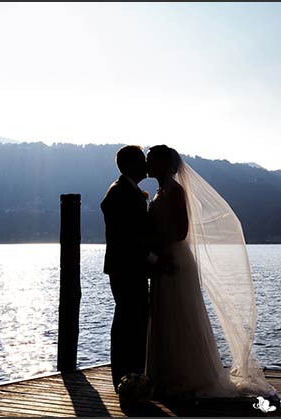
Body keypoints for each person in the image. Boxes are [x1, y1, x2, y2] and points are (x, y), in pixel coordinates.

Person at [145, 145, 281, 401]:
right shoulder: (160, 191)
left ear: (164, 164)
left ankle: (188, 376)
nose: (147, 163)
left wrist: (157, 244)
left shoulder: (175, 192)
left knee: (181, 315)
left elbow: (182, 231)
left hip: (175, 259)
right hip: (163, 258)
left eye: (151, 159)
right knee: (165, 316)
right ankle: (166, 374)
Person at [100, 145, 152, 391]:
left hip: (128, 267)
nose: (145, 165)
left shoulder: (126, 190)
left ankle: (130, 375)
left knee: (131, 320)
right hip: (127, 267)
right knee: (128, 321)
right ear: (131, 165)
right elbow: (128, 236)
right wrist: (151, 259)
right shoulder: (120, 192)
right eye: (142, 161)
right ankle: (126, 378)